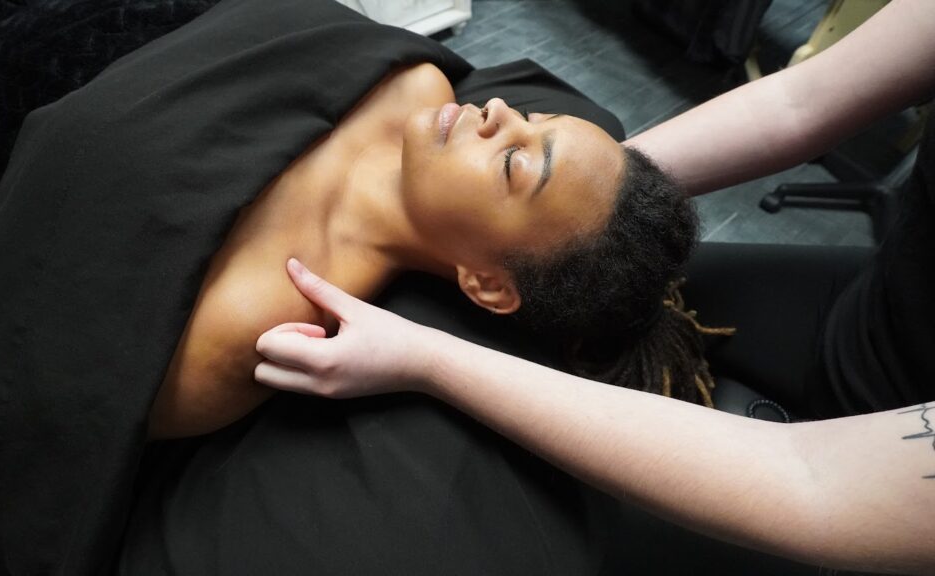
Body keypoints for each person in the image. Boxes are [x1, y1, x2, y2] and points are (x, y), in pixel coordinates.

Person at [254, 0, 935, 573]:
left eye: (520, 151)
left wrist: (423, 357)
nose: (494, 107)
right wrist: (591, 202)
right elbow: (799, 99)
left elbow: (813, 482)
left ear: (486, 286)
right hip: (877, 309)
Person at [148, 68, 711, 438]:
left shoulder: (250, 319)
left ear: (487, 284)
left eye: (515, 162)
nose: (496, 109)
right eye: (535, 118)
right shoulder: (415, 84)